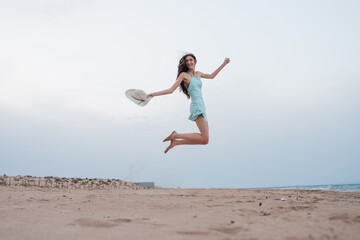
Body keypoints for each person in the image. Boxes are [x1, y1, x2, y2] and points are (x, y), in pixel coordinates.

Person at [147, 53, 230, 153]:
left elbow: (212, 76)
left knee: (205, 140)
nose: (189, 62)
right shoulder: (184, 75)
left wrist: (223, 64)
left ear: (195, 61)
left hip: (203, 107)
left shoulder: (198, 74)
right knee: (204, 137)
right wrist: (153, 94)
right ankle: (176, 135)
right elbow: (171, 90)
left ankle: (176, 142)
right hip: (196, 106)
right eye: (187, 61)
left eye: (191, 60)